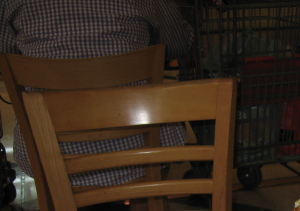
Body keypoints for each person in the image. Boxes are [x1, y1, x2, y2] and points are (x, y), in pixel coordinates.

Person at [0, 0, 194, 187]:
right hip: (140, 145)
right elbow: (177, 44)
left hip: (50, 151)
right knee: (150, 136)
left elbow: (6, 52)